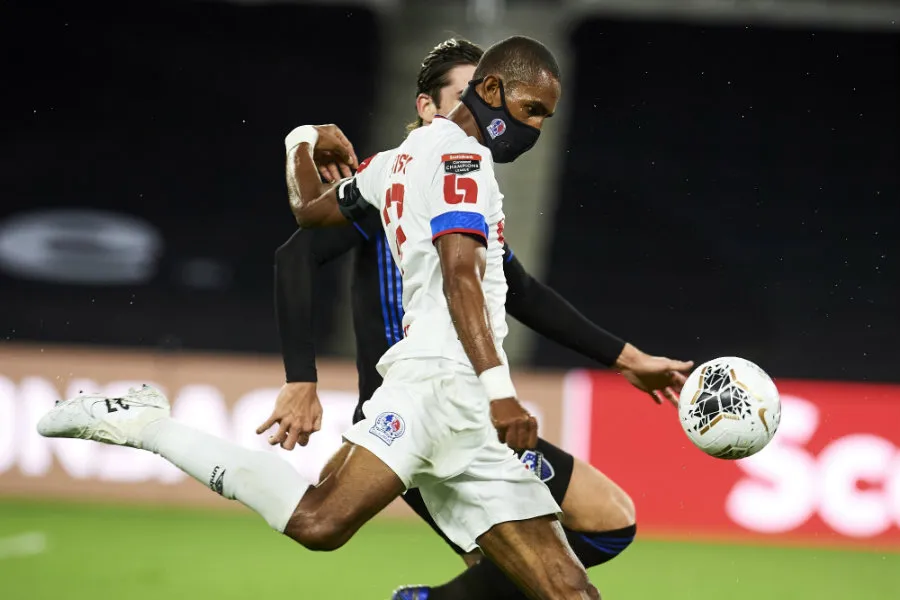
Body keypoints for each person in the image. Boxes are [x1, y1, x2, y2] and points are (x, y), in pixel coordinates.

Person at [39, 35, 601, 600]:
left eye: (545, 117)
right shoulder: (463, 158)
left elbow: (309, 210)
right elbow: (460, 277)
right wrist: (501, 391)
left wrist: (300, 139)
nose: (535, 129)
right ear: (491, 89)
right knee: (319, 522)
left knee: (568, 593)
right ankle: (143, 423)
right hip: (437, 383)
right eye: (531, 110)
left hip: (466, 410)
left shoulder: (399, 160)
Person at [266, 39, 693, 600]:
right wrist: (302, 379)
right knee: (525, 564)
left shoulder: (466, 197)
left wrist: (629, 359)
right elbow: (296, 252)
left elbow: (522, 292)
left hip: (462, 403)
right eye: (463, 94)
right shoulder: (397, 185)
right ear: (427, 107)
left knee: (604, 525)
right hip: (414, 409)